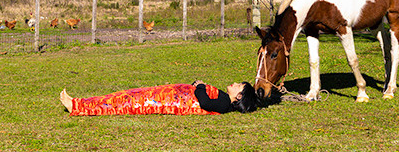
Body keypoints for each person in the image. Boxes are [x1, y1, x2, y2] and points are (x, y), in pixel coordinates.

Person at [60, 80, 257, 116]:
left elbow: (203, 102)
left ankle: (78, 107)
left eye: (238, 86)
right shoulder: (223, 100)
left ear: (239, 96)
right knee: (124, 97)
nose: (233, 84)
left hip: (164, 100)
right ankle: (80, 104)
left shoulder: (224, 103)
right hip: (167, 95)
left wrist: (201, 87)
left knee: (125, 101)